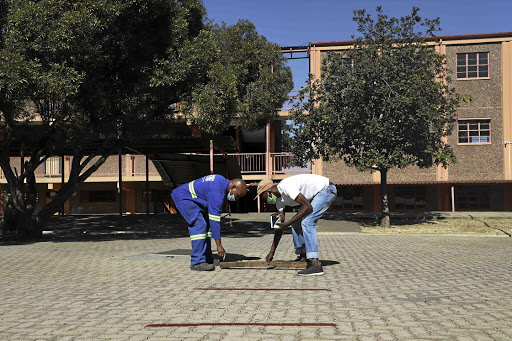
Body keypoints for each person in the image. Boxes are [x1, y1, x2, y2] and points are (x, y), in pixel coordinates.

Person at [255, 174, 337, 276]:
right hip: (316, 195)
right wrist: (272, 252)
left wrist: (287, 224)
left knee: (307, 222)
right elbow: (279, 227)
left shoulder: (286, 186)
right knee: (296, 223)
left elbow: (307, 206)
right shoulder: (279, 202)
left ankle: (315, 263)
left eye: (263, 197)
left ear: (268, 192)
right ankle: (303, 256)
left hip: (327, 190)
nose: (264, 201)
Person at [171, 174, 247, 271]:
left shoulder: (220, 181)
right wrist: (219, 246)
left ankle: (207, 258)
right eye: (237, 195)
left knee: (207, 226)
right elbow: (215, 221)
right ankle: (197, 262)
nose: (236, 198)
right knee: (200, 225)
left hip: (192, 200)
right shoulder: (217, 192)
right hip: (184, 199)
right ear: (233, 187)